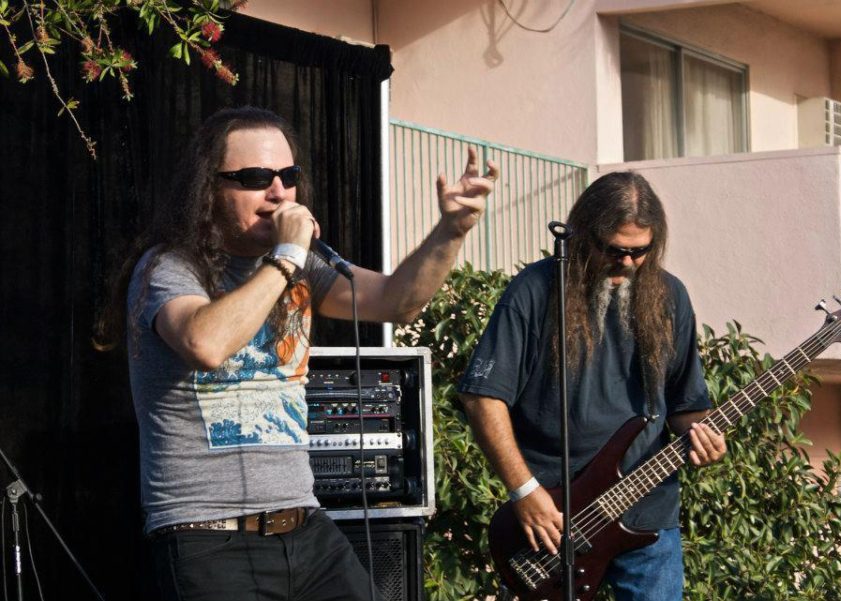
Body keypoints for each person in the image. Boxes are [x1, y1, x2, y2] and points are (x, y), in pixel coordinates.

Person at [93, 106, 498, 601]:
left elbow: (398, 301)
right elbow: (205, 343)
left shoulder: (301, 267)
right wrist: (286, 258)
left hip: (306, 529)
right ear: (210, 190)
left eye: (288, 176)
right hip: (207, 538)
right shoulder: (169, 268)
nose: (278, 193)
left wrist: (450, 232)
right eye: (256, 178)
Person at [457, 171, 726, 601]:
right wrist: (525, 491)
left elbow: (685, 406)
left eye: (640, 252)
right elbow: (483, 396)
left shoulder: (671, 296)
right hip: (554, 517)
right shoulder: (536, 290)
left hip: (648, 513)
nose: (627, 263)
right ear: (583, 236)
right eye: (614, 250)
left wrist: (705, 437)